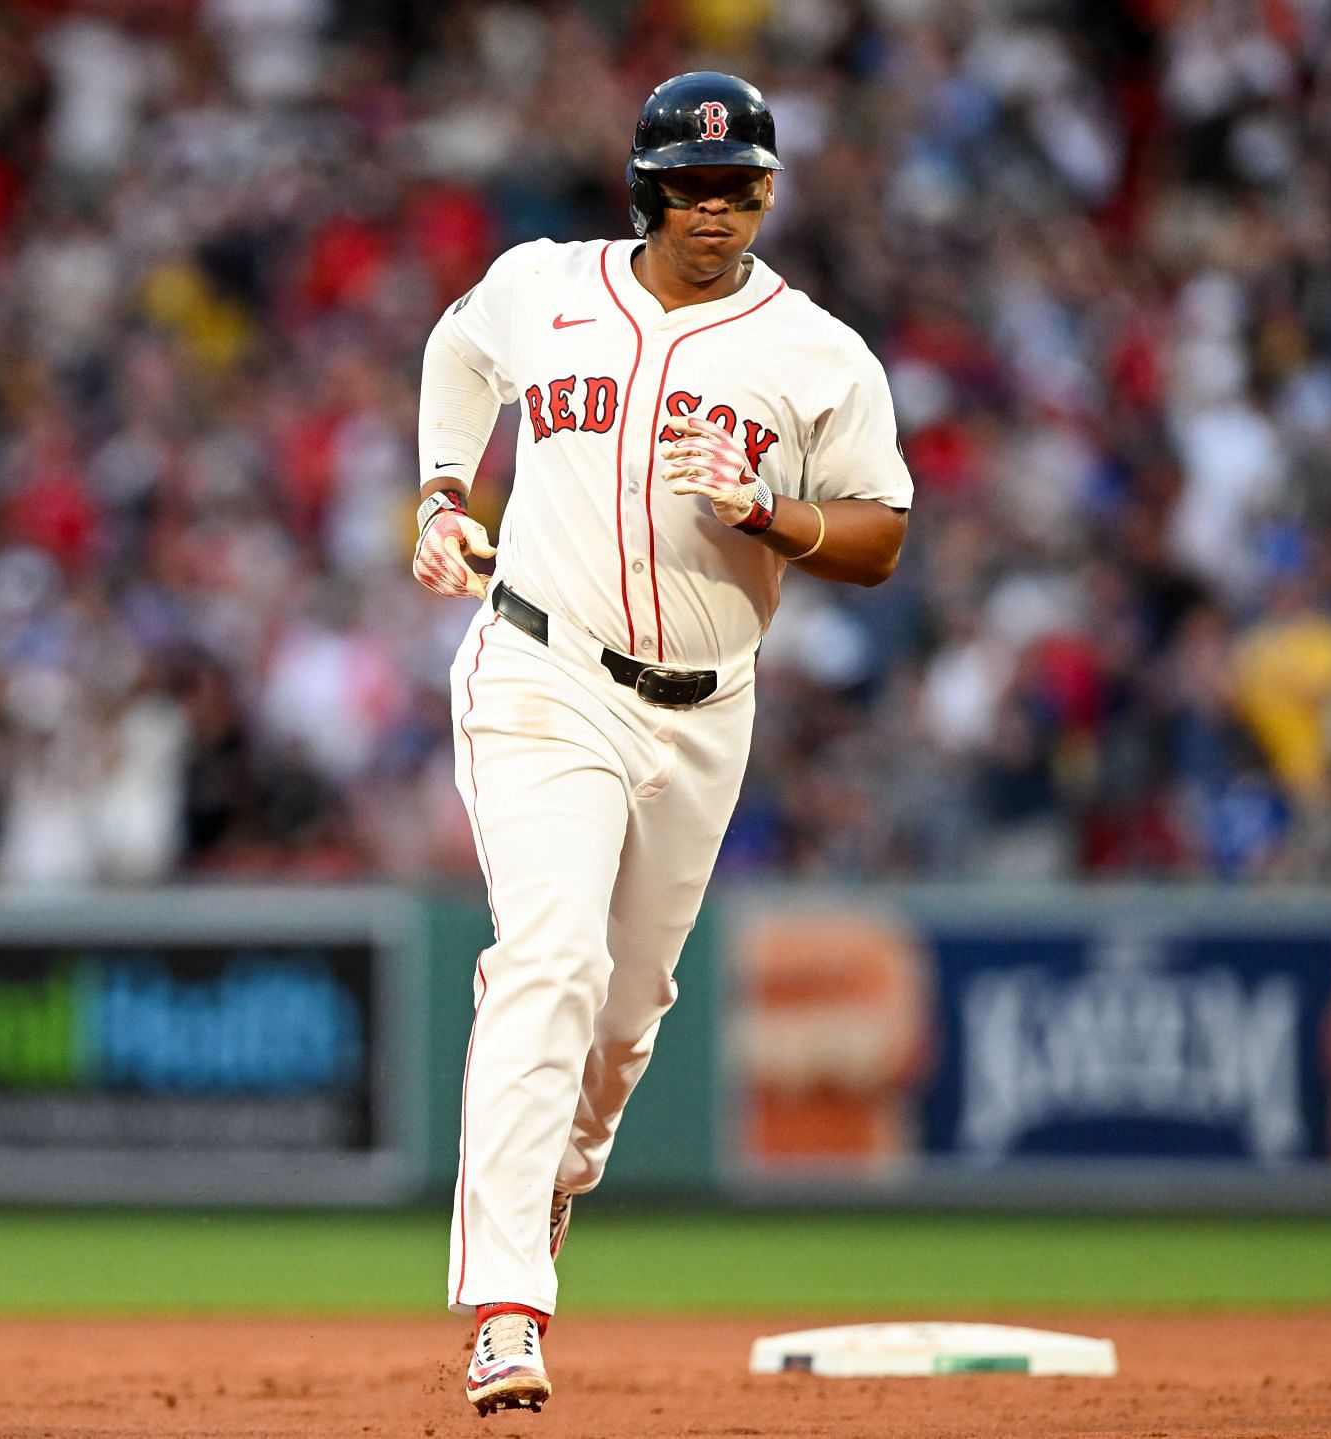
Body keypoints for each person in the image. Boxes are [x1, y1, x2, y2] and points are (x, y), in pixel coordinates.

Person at [411, 71, 914, 1416]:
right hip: (542, 670)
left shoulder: (815, 351)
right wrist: (444, 490)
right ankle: (509, 1309)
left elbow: (882, 528)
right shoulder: (544, 285)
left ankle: (551, 1193)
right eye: (693, 187)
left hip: (705, 707)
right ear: (646, 188)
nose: (717, 210)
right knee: (549, 954)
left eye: (740, 186)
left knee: (624, 1028)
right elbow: (459, 354)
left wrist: (775, 515)